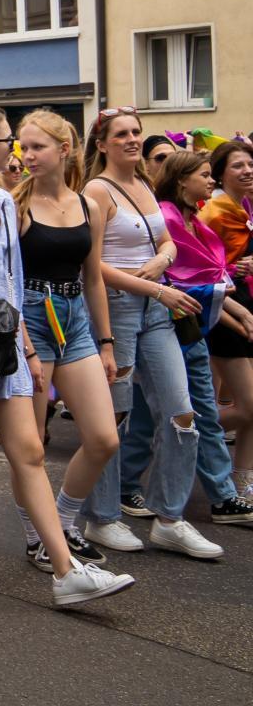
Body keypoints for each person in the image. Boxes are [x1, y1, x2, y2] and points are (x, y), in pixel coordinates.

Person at [0, 106, 136, 605]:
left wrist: (25, 346)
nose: (14, 148)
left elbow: (12, 283)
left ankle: (65, 572)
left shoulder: (0, 199)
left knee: (30, 452)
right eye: (6, 140)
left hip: (8, 346)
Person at [77, 108, 218, 559]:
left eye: (136, 132)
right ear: (101, 144)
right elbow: (93, 268)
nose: (132, 140)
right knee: (113, 419)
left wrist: (164, 258)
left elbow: (167, 239)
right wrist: (157, 285)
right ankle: (102, 518)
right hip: (117, 310)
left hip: (156, 308)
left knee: (182, 413)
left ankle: (169, 518)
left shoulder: (146, 185)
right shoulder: (96, 191)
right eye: (121, 134)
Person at [10, 112, 123, 567]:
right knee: (31, 442)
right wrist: (27, 347)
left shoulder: (87, 205)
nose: (27, 155)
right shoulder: (13, 206)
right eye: (22, 146)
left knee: (102, 438)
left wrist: (107, 342)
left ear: (64, 149)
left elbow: (93, 279)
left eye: (37, 146)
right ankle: (38, 536)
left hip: (74, 320)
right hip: (31, 320)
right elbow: (6, 281)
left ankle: (61, 520)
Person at [149, 150, 253, 526]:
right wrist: (236, 311)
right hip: (166, 324)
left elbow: (209, 280)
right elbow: (182, 282)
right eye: (205, 174)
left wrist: (237, 309)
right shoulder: (169, 218)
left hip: (195, 323)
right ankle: (134, 497)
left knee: (202, 412)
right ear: (181, 180)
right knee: (157, 421)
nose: (210, 181)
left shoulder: (195, 220)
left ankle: (224, 497)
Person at [199, 140, 253, 500]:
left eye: (250, 164)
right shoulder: (213, 213)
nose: (247, 171)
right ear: (220, 174)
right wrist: (232, 269)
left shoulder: (245, 206)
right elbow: (203, 267)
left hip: (250, 307)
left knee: (251, 410)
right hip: (227, 313)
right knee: (249, 405)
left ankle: (244, 482)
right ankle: (182, 428)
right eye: (238, 166)